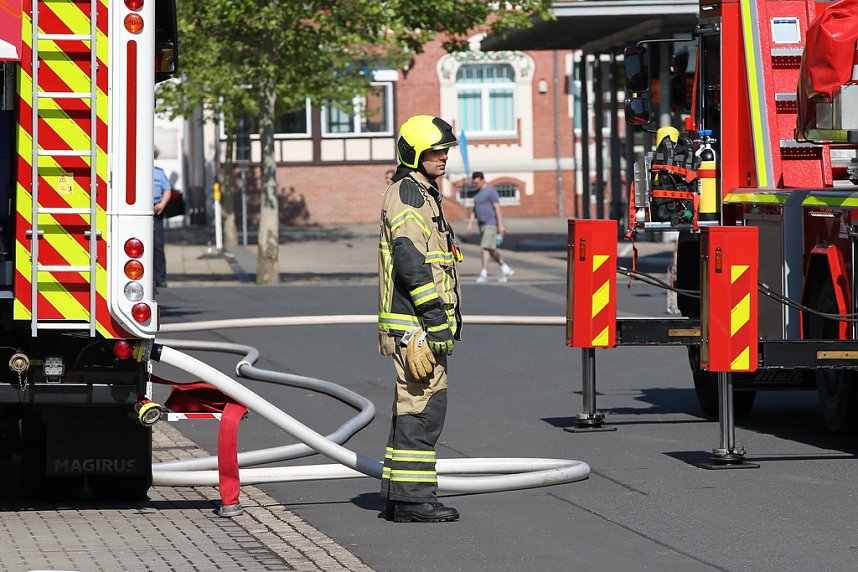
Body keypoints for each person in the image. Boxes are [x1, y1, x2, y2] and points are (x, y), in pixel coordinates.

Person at [378, 115, 463, 523]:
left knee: (412, 406)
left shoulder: (422, 193)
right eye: (434, 151)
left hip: (416, 323)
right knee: (423, 408)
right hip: (417, 325)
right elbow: (411, 263)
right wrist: (435, 320)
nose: (443, 157)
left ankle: (401, 497)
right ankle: (414, 502)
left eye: (445, 150)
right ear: (414, 154)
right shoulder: (410, 196)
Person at [466, 172, 513, 283]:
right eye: (473, 183)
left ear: (482, 180)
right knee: (491, 248)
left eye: (477, 182)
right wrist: (470, 224)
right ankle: (505, 268)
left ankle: (484, 273)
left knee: (484, 248)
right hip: (481, 224)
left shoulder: (490, 191)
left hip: (490, 223)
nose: (475, 185)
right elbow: (474, 210)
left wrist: (500, 225)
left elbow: (497, 208)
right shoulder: (477, 193)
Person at [153, 153, 172, 288]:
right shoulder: (137, 172)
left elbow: (167, 190)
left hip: (156, 212)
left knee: (158, 246)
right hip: (140, 213)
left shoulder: (159, 173)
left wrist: (162, 205)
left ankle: (160, 277)